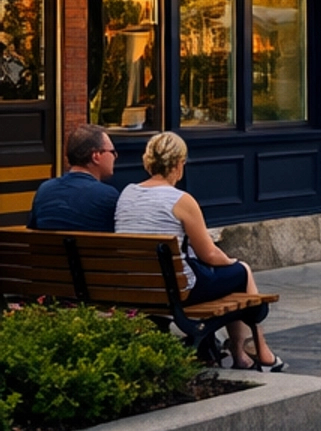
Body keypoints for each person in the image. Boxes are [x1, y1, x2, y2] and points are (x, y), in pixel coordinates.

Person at [114, 131, 280, 369]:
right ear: (179, 164)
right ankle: (250, 350)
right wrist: (231, 262)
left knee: (226, 276)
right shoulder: (181, 200)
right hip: (178, 290)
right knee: (242, 272)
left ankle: (235, 349)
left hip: (137, 286)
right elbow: (209, 254)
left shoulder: (126, 194)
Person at [28, 124, 119, 231]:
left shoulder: (44, 190)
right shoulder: (107, 195)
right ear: (96, 156)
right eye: (112, 152)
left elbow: (32, 228)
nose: (115, 156)